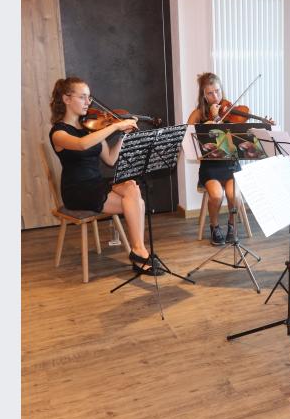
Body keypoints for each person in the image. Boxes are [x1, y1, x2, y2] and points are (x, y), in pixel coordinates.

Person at [48, 77, 162, 276]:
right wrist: (115, 126)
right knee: (138, 203)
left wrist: (121, 135)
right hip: (77, 190)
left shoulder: (91, 128)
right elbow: (82, 145)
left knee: (132, 187)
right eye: (82, 97)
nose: (88, 102)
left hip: (96, 183)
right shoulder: (58, 132)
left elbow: (110, 159)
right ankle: (139, 254)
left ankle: (138, 251)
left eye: (89, 98)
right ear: (66, 99)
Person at [187, 72, 276, 246]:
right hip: (210, 168)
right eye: (210, 93)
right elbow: (188, 134)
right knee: (216, 195)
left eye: (218, 91)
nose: (216, 97)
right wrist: (212, 120)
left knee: (233, 195)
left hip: (231, 166)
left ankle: (232, 226)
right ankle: (214, 227)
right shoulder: (198, 114)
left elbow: (247, 133)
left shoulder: (230, 111)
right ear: (203, 95)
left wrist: (264, 124)